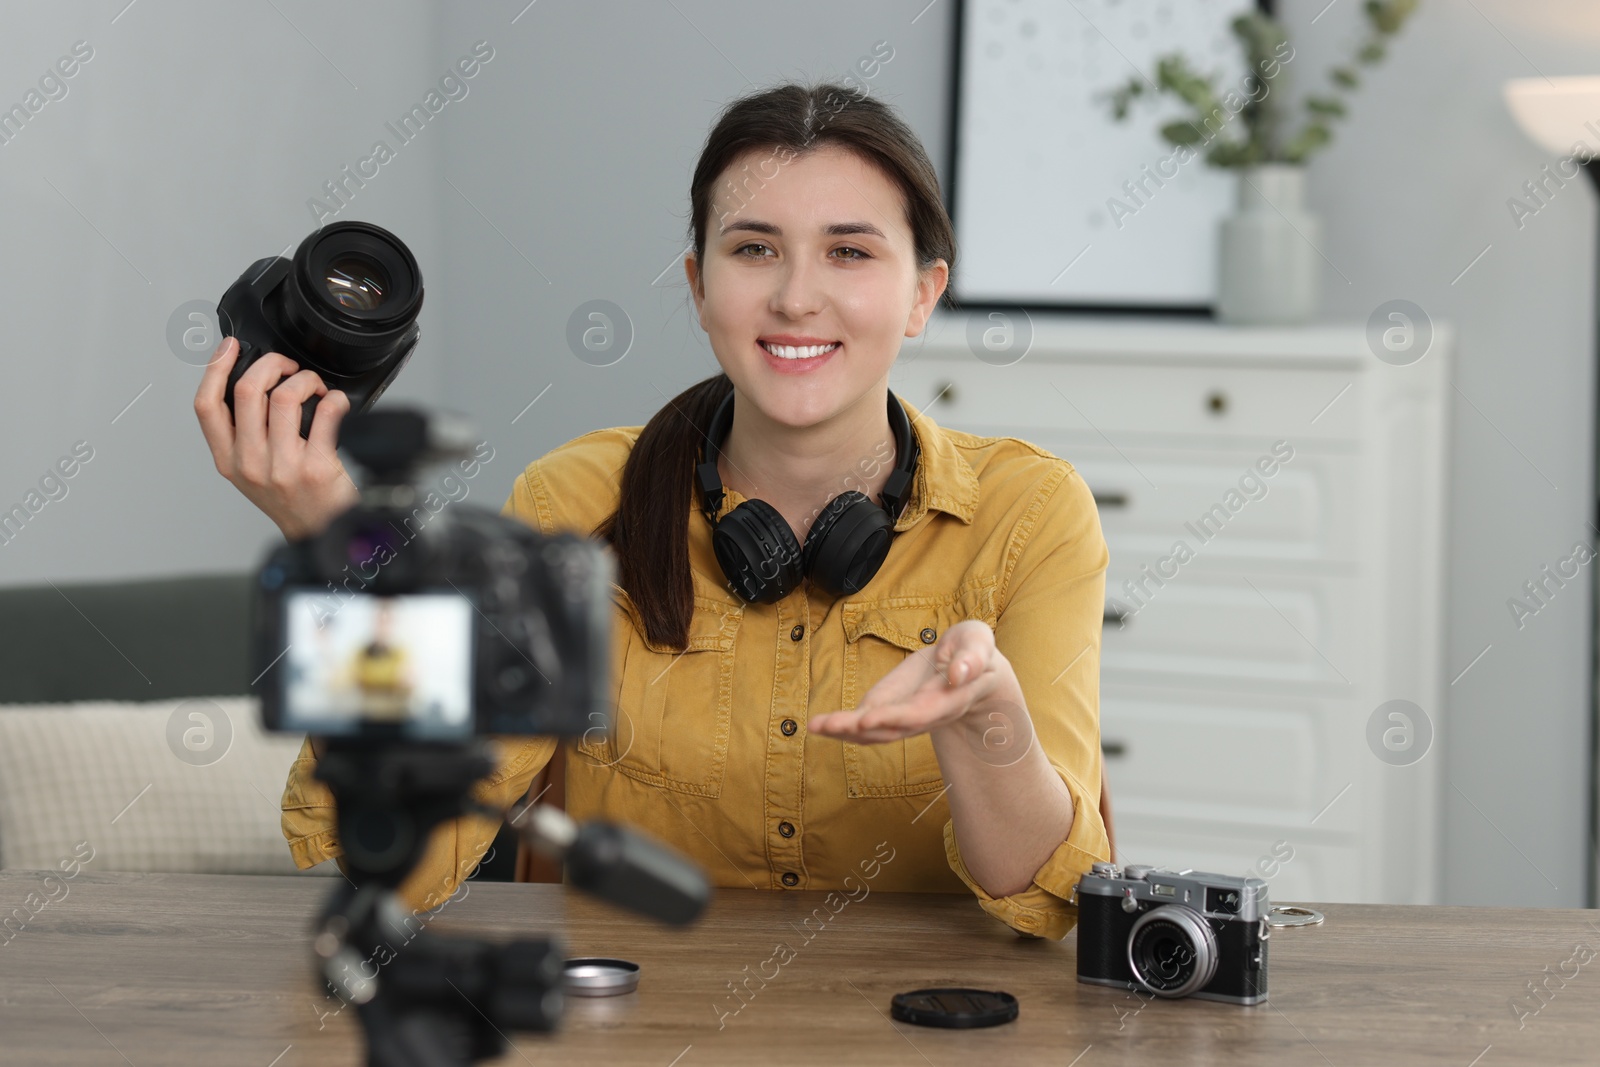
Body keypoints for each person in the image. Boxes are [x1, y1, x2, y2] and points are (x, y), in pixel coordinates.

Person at [193, 81, 1110, 939]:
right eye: (753, 249)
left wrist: (984, 720)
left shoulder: (1028, 515)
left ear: (922, 294)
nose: (796, 296)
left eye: (850, 251)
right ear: (699, 284)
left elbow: (1040, 897)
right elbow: (397, 865)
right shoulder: (572, 502)